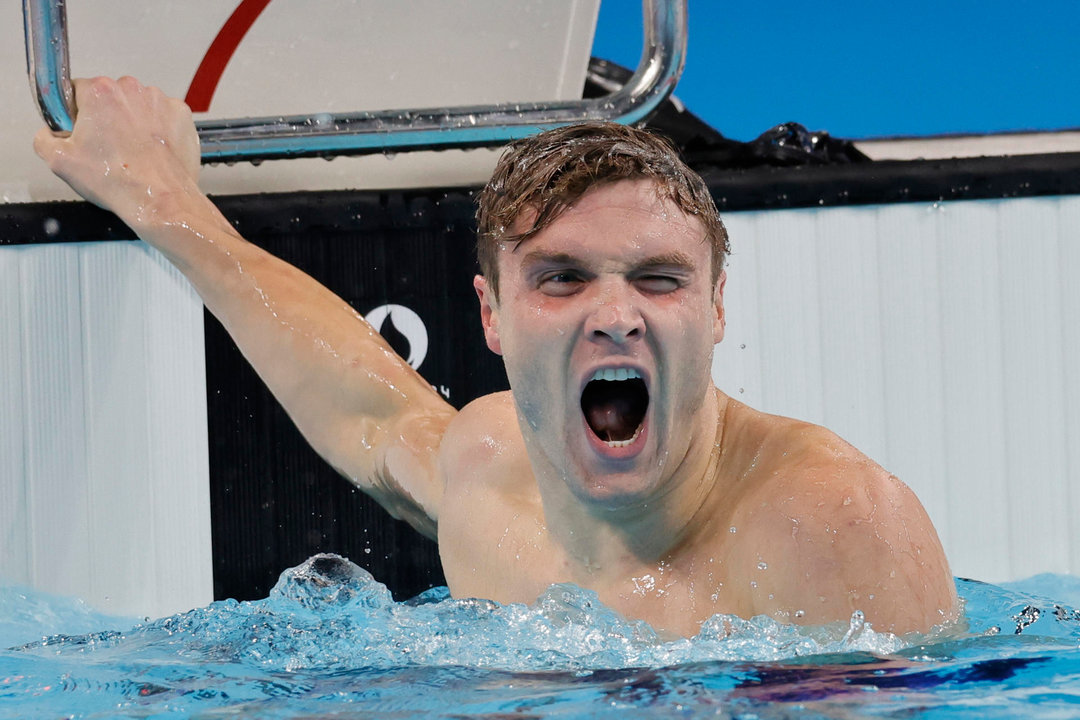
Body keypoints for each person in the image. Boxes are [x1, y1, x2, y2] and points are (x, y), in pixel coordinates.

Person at [35, 77, 957, 638]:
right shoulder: (491, 477)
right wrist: (164, 201)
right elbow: (372, 409)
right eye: (561, 280)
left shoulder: (837, 531)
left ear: (716, 308)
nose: (614, 317)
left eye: (659, 280)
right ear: (492, 316)